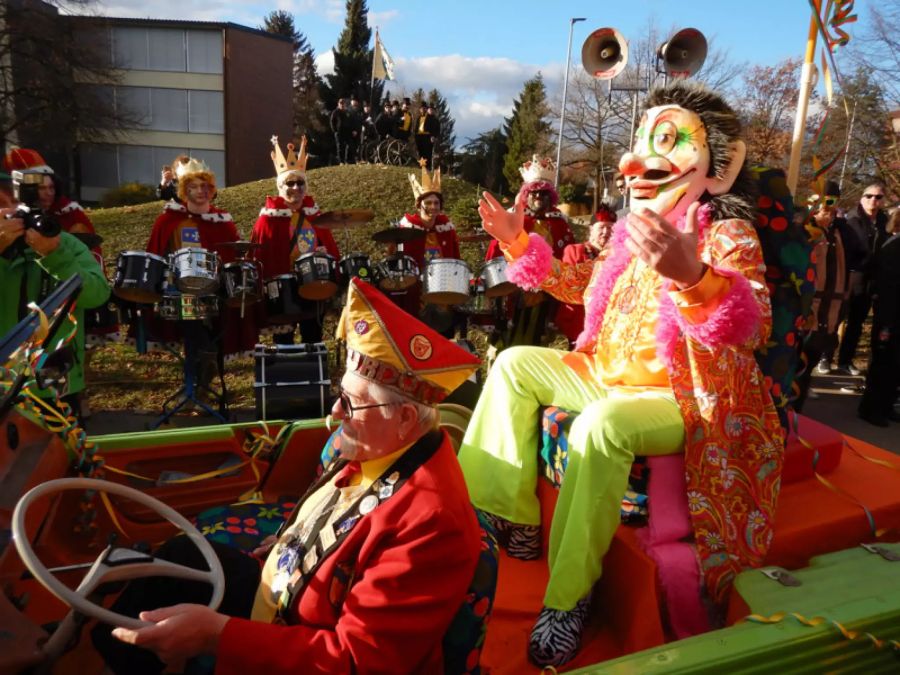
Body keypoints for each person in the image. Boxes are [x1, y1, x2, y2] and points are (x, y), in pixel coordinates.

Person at [458, 80, 784, 667]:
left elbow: (750, 324)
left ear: (722, 167)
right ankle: (512, 519)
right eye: (640, 140)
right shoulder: (631, 240)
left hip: (680, 397)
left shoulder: (726, 234)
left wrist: (695, 278)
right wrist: (518, 243)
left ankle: (568, 597)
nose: (637, 158)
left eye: (667, 139)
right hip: (605, 372)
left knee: (603, 425)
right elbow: (578, 287)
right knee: (512, 363)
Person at [91, 277, 483, 675]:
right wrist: (288, 544)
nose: (334, 413)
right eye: (339, 394)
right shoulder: (379, 448)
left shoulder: (433, 522)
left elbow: (356, 661)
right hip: (290, 594)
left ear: (403, 419)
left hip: (304, 639)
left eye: (351, 403)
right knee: (178, 558)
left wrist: (217, 636)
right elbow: (342, 520)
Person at [0, 149, 109, 419]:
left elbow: (97, 294)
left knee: (63, 458)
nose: (17, 214)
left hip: (55, 383)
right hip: (3, 382)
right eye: (7, 205)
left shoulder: (64, 243)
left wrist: (54, 255)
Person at [144, 158, 253, 386]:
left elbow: (232, 255)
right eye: (194, 186)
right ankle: (197, 385)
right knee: (195, 338)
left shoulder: (221, 220)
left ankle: (211, 389)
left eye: (205, 186)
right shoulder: (169, 220)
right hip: (181, 291)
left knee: (217, 337)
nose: (201, 191)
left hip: (215, 290)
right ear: (184, 190)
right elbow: (156, 255)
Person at [251, 136, 339, 344]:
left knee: (313, 338)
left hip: (312, 283)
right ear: (280, 187)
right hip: (283, 291)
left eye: (300, 183)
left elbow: (329, 247)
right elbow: (260, 255)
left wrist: (325, 256)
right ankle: (285, 375)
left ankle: (314, 376)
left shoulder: (314, 215)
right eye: (290, 183)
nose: (296, 188)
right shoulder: (267, 219)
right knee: (284, 342)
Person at [485, 155, 576, 348]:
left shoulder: (559, 223)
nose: (538, 197)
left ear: (549, 196)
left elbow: (567, 254)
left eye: (543, 193)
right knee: (508, 337)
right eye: (534, 193)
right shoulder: (515, 218)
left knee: (537, 337)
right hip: (515, 289)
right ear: (527, 195)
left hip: (547, 290)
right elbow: (498, 249)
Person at [392, 159, 462, 336]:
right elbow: (396, 259)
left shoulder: (446, 229)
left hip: (442, 291)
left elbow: (456, 257)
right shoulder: (407, 229)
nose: (433, 207)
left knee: (444, 333)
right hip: (417, 293)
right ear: (419, 204)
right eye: (428, 203)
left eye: (436, 203)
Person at [796, 186, 849, 411]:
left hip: (829, 307)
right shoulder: (807, 231)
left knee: (814, 355)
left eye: (833, 206)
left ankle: (801, 399)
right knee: (799, 359)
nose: (829, 211)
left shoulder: (835, 234)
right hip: (810, 308)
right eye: (825, 206)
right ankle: (792, 405)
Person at [832, 183, 889, 375]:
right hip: (851, 273)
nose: (873, 200)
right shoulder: (851, 219)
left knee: (857, 321)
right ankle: (824, 357)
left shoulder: (884, 221)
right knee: (837, 316)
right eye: (869, 196)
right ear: (861, 198)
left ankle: (845, 361)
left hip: (872, 277)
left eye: (878, 197)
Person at [858, 208, 900, 426]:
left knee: (895, 363)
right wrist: (887, 320)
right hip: (889, 314)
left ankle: (886, 405)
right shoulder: (892, 247)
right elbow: (887, 284)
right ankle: (871, 408)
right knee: (883, 361)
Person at [554, 203, 617, 346]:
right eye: (601, 227)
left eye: (610, 228)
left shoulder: (617, 256)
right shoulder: (574, 250)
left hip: (606, 325)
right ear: (591, 230)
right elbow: (570, 283)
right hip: (576, 322)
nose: (606, 232)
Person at [415, 102, 440, 169]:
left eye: (432, 109)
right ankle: (421, 166)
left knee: (428, 153)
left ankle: (427, 167)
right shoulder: (420, 117)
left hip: (428, 137)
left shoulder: (434, 119)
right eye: (430, 109)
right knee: (420, 152)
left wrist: (433, 136)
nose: (431, 110)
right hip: (420, 137)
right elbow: (417, 127)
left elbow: (436, 130)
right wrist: (416, 136)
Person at [329, 98, 350, 165]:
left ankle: (347, 160)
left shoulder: (346, 112)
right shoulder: (335, 112)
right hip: (339, 132)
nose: (342, 105)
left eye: (343, 104)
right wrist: (335, 130)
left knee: (347, 146)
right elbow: (332, 121)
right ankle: (341, 161)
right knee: (340, 147)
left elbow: (349, 121)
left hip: (346, 132)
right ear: (338, 104)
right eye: (341, 104)